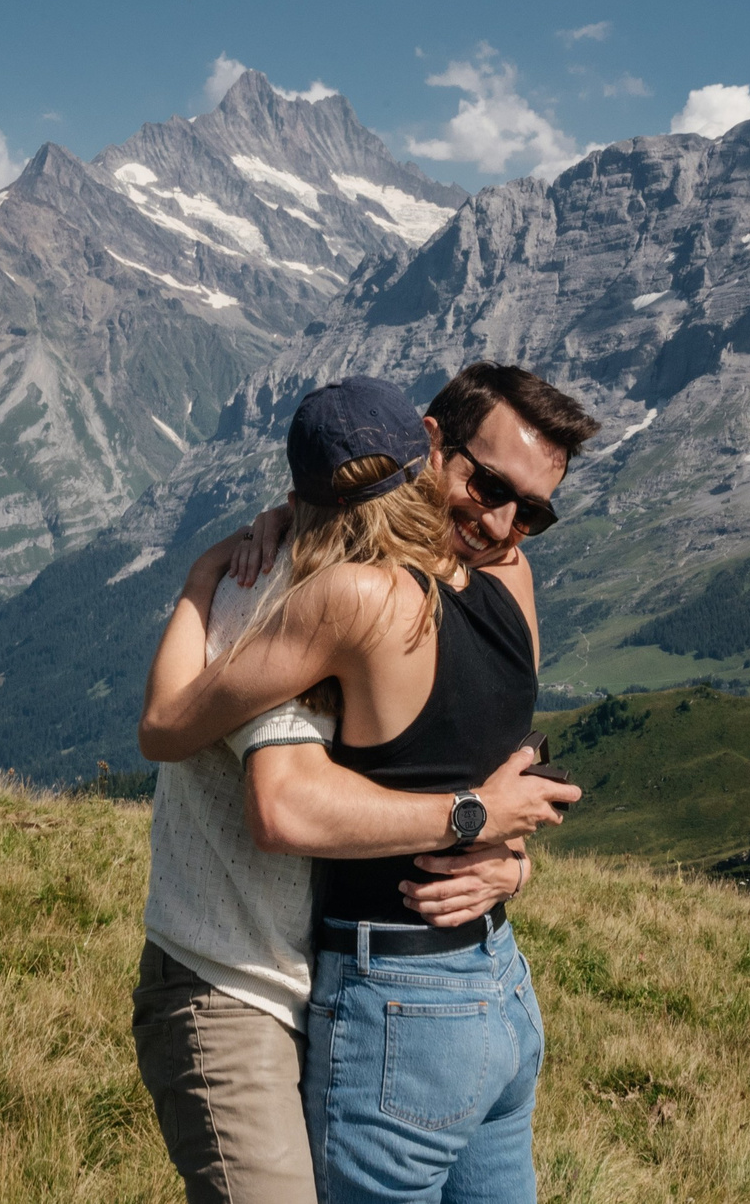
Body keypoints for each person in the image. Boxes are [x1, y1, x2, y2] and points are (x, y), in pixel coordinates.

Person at [143, 367, 599, 1203]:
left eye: (530, 511)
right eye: (487, 485)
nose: (502, 524)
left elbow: (187, 740)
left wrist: (496, 838)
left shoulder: (364, 589)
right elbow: (499, 766)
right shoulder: (472, 581)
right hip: (489, 988)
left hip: (401, 994)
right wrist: (488, 830)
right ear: (429, 443)